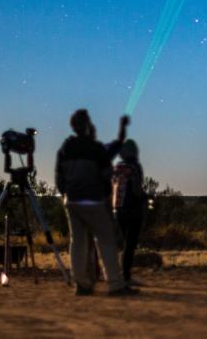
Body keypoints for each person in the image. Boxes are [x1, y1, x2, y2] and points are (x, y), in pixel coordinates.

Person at [55, 109, 138, 296]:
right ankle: (115, 284)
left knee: (78, 243)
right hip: (93, 200)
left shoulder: (65, 148)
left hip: (72, 200)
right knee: (106, 241)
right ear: (87, 125)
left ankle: (82, 284)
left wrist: (65, 194)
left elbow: (59, 177)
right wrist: (104, 195)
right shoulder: (96, 149)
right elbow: (106, 174)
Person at [112, 139, 146, 286]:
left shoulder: (117, 167)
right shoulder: (135, 167)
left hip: (118, 209)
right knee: (130, 244)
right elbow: (137, 190)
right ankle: (126, 276)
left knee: (123, 243)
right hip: (133, 210)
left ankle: (121, 274)